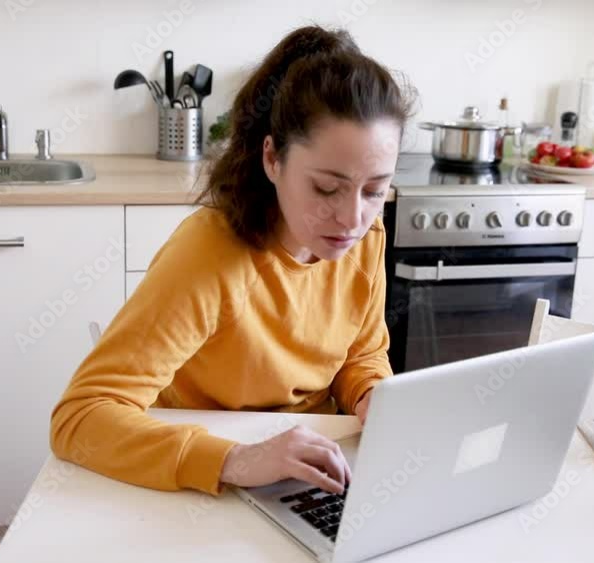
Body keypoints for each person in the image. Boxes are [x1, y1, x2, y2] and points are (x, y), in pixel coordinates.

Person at [50, 25, 412, 497]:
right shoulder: (208, 253)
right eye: (327, 188)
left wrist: (371, 394)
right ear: (272, 159)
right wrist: (236, 460)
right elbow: (79, 418)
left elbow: (361, 354)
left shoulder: (366, 236)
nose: (352, 218)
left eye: (375, 190)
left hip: (316, 468)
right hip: (213, 476)